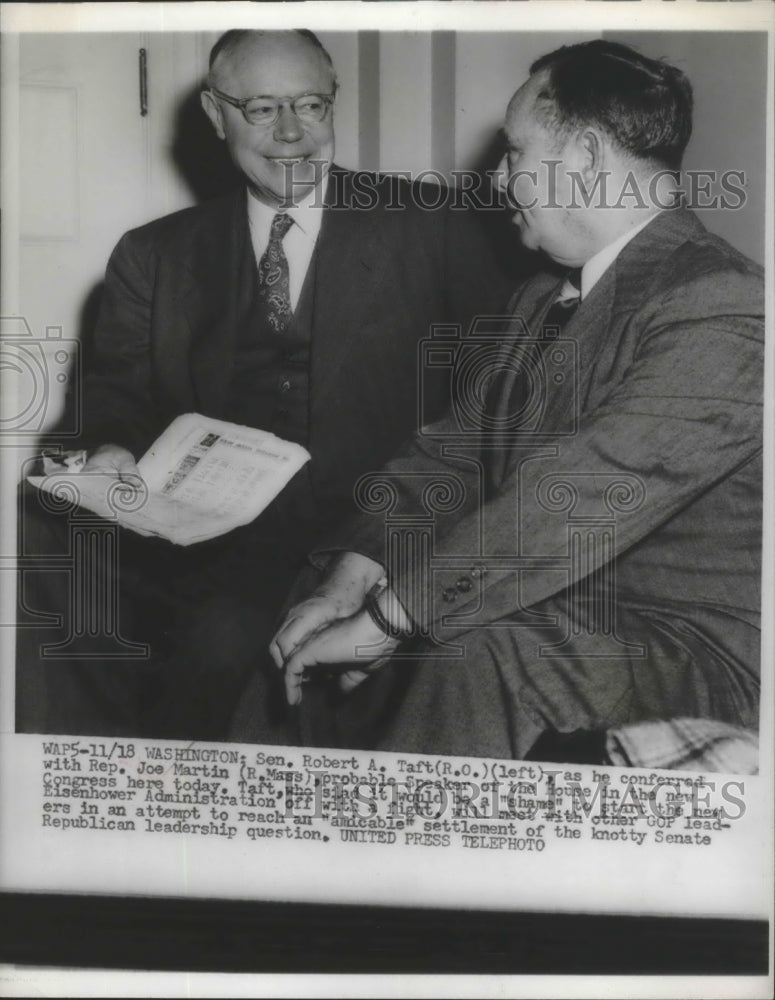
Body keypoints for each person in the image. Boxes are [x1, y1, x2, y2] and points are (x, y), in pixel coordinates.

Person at [254, 39, 763, 759]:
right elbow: (447, 460)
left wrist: (385, 620)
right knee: (309, 601)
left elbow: (580, 494)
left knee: (483, 649)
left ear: (584, 157)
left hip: (679, 645)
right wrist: (352, 578)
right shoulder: (536, 299)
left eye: (515, 153)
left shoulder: (725, 303)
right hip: (551, 609)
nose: (498, 178)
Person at [16, 29, 515, 739]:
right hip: (209, 535)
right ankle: (62, 782)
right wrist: (109, 447)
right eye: (260, 110)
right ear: (217, 116)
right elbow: (116, 392)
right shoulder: (153, 254)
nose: (291, 133)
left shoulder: (433, 226)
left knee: (222, 640)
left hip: (372, 522)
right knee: (47, 532)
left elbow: (492, 400)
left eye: (310, 105)